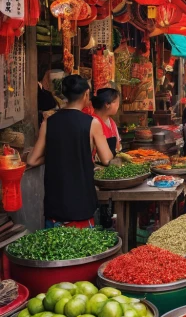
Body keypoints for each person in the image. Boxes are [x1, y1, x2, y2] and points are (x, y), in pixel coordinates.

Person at [28, 75, 114, 228]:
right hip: (81, 204)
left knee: (55, 250)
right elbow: (107, 158)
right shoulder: (92, 123)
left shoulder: (49, 122)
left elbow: (32, 160)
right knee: (83, 250)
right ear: (86, 94)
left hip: (55, 207)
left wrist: (56, 153)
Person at [91, 88, 121, 156]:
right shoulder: (91, 122)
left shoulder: (112, 122)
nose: (118, 105)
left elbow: (117, 147)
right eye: (116, 102)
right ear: (107, 104)